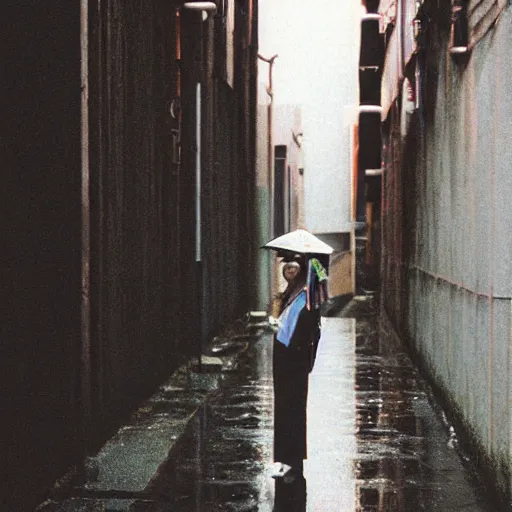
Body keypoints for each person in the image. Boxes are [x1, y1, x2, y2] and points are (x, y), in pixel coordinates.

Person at [270, 252, 322, 483]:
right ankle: (284, 459)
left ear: (302, 272)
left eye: (294, 269)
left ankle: (293, 460)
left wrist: (307, 358)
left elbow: (310, 330)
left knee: (293, 408)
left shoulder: (308, 297)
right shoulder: (288, 295)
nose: (290, 273)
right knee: (283, 408)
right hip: (283, 358)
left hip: (295, 360)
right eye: (287, 269)